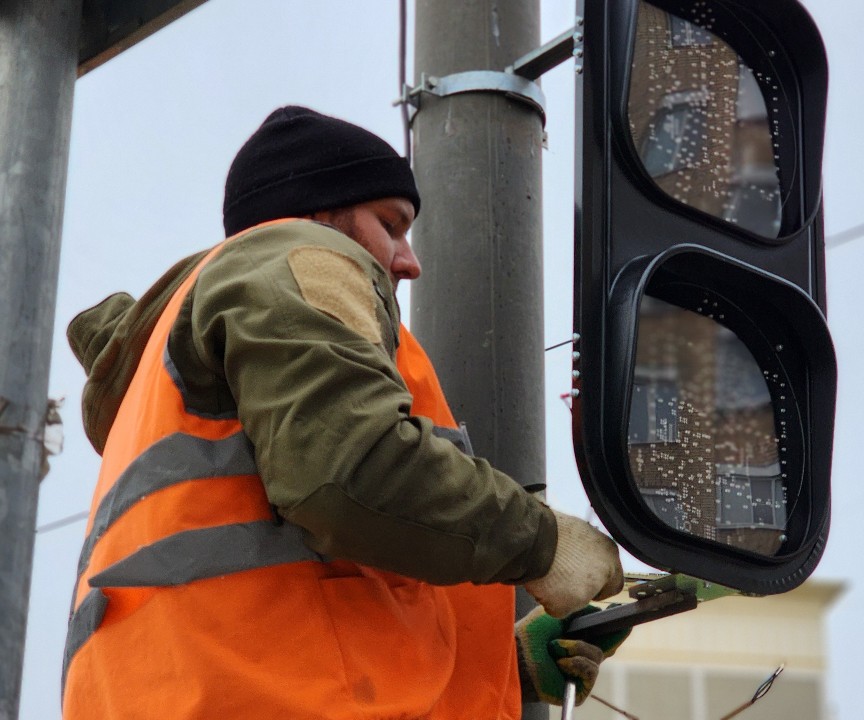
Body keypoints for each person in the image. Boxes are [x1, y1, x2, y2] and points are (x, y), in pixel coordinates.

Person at [61, 105, 626, 719]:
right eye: (391, 223)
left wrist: (505, 664)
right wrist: (542, 541)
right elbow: (355, 472)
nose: (409, 261)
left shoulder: (171, 386)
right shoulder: (298, 255)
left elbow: (295, 594)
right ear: (313, 213)